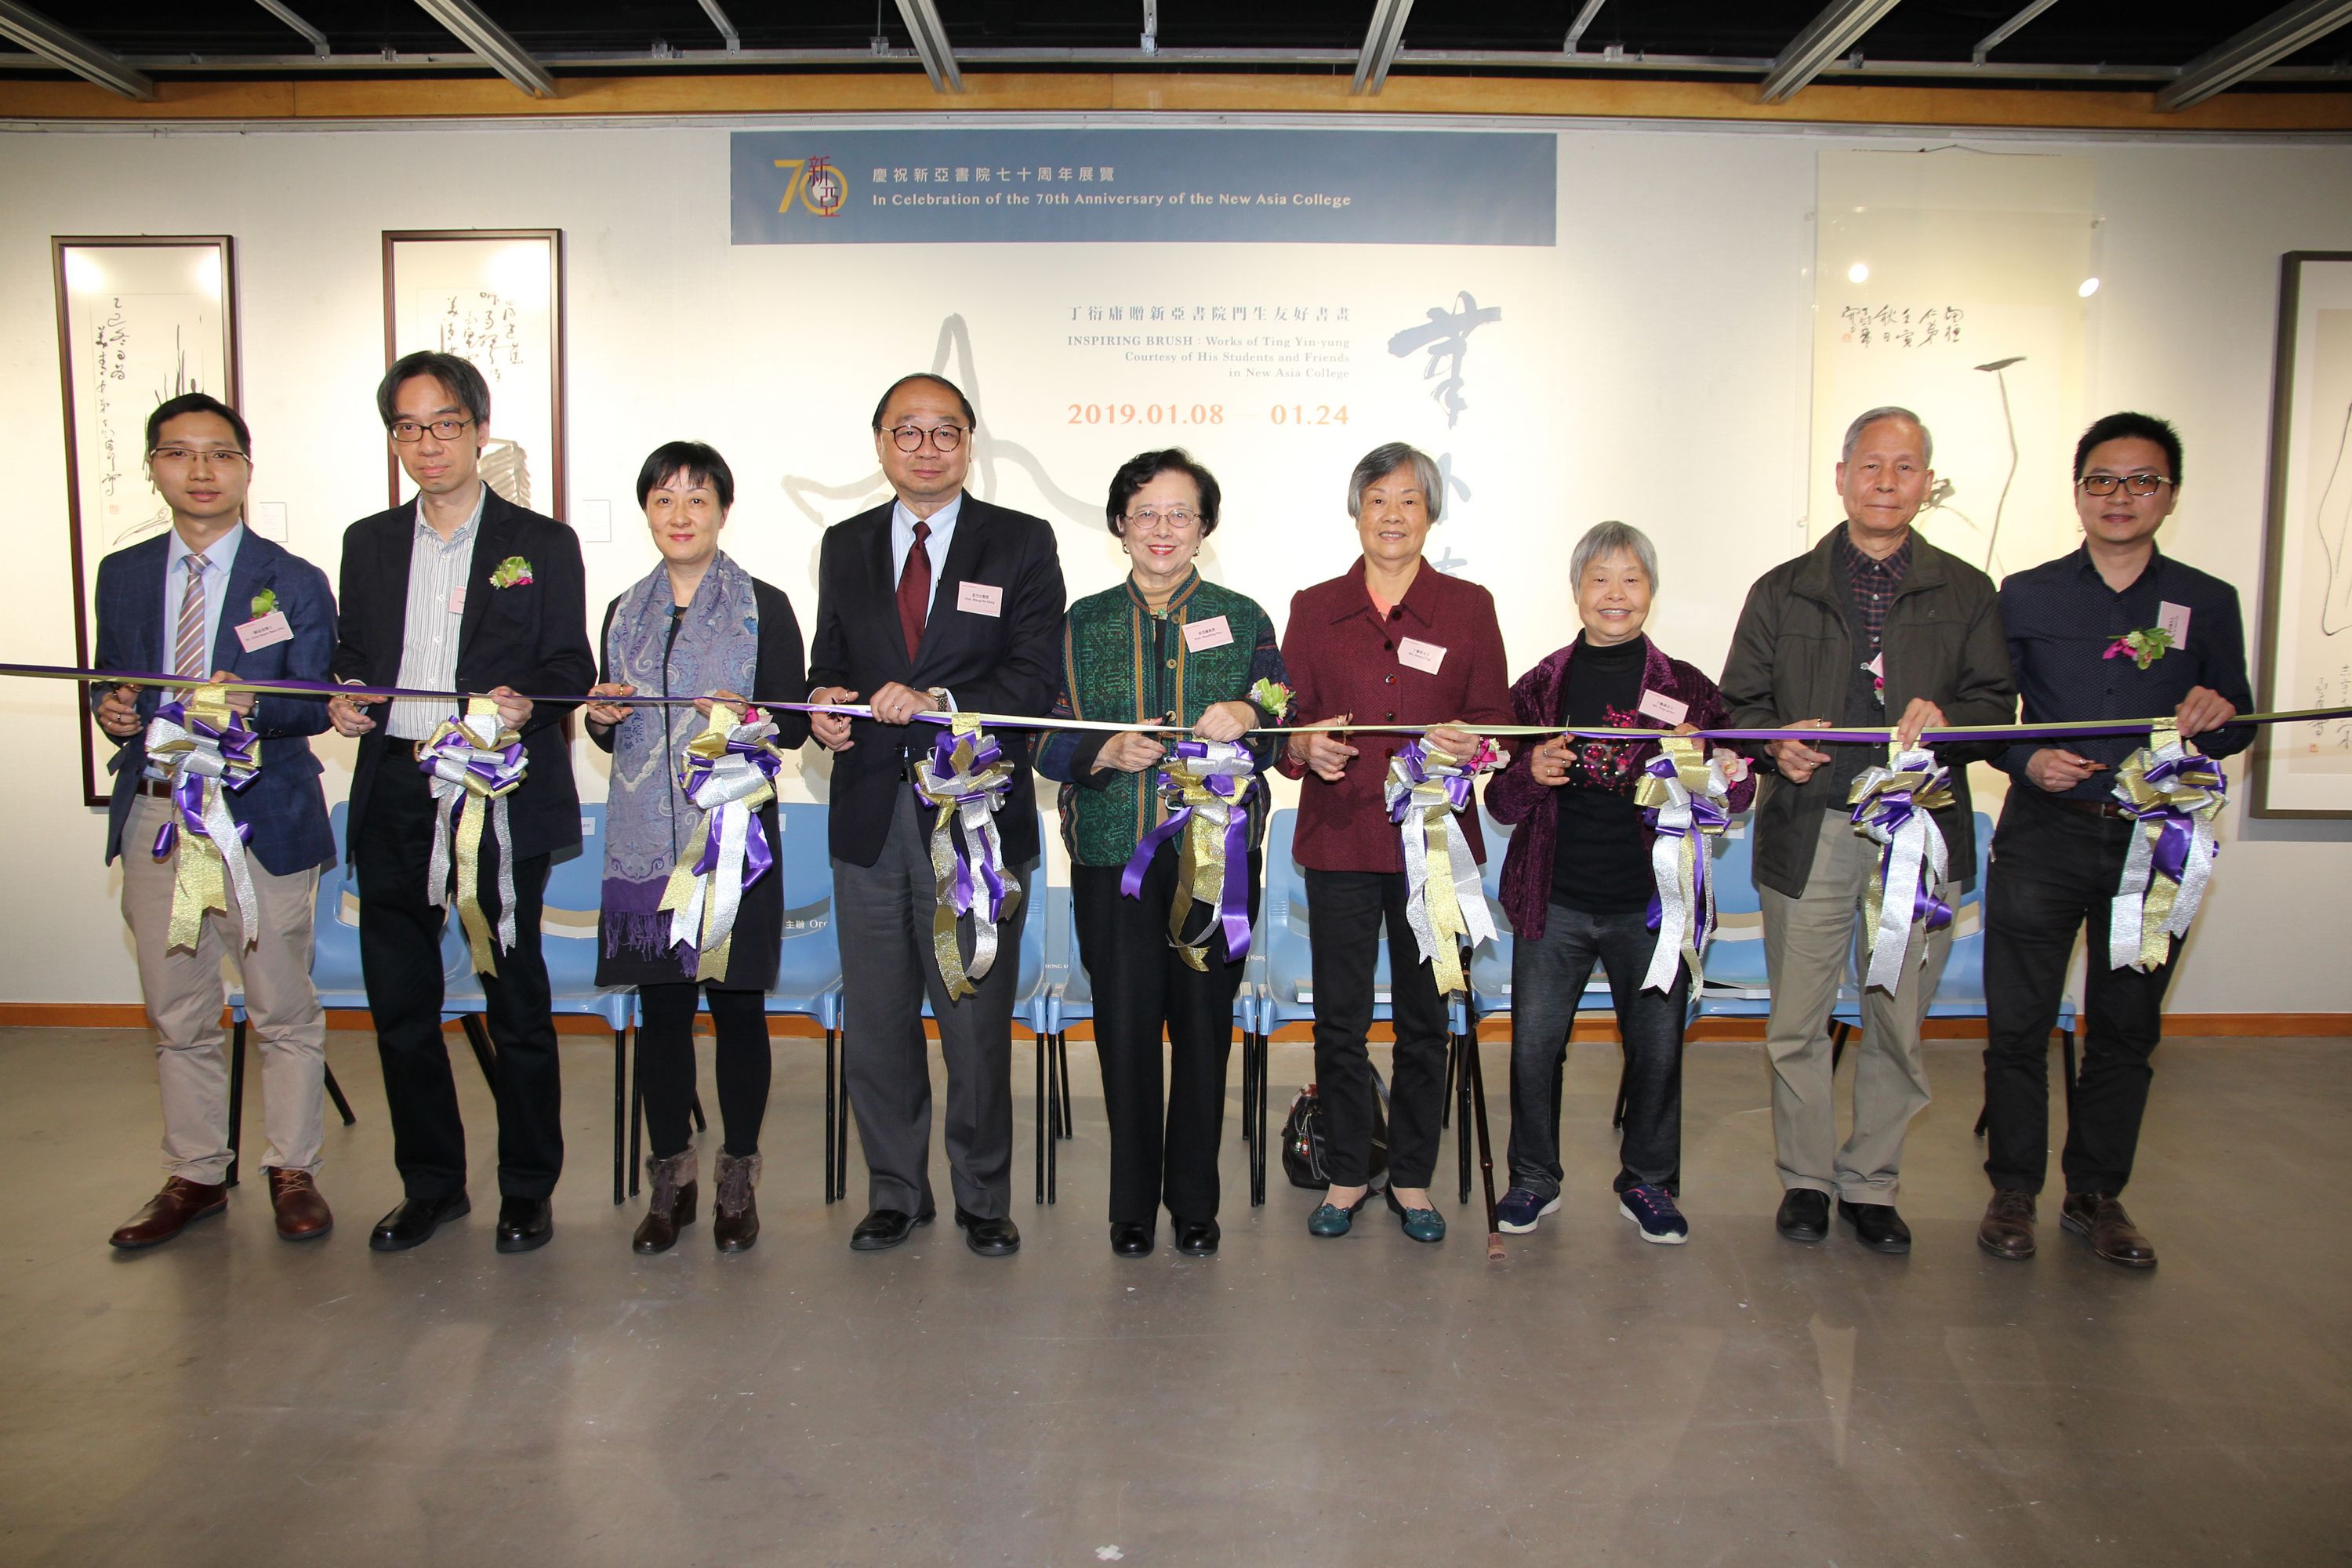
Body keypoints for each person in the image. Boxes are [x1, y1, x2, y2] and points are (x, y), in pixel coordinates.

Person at [1719, 405, 2015, 1256]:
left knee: (1897, 1022)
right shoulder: (1783, 588)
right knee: (1797, 1022)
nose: (1888, 482)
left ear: (1928, 482)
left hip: (1921, 837)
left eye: (1907, 467)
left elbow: (1999, 713)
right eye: (1872, 465)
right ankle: (1806, 1181)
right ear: (1843, 476)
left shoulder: (1966, 591)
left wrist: (1951, 718)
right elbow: (1740, 707)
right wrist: (1775, 744)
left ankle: (1874, 1182)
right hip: (1811, 831)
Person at [325, 350, 593, 1254]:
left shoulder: (541, 543)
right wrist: (347, 692)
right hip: (396, 783)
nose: (427, 443)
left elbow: (569, 671)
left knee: (513, 999)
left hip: (495, 784)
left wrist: (527, 706)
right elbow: (353, 653)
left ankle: (527, 1186)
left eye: (445, 423)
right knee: (400, 1005)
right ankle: (431, 1184)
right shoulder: (368, 542)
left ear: (480, 429)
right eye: (407, 426)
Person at [1976, 413, 2252, 1269]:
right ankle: (2013, 1189)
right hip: (2042, 839)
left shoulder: (2207, 599)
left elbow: (2236, 715)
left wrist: (2217, 718)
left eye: (2141, 480)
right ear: (2078, 490)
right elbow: (1983, 715)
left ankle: (2097, 1194)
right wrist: (2026, 757)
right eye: (2103, 479)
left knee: (2126, 1027)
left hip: (2154, 844)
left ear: (2170, 493)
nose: (2120, 496)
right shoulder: (2023, 592)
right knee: (2017, 1023)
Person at [804, 372, 1066, 1258]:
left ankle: (983, 1196)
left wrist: (938, 697)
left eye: (944, 431)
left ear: (970, 441)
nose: (926, 448)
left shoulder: (1021, 542)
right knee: (878, 1021)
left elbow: (1035, 682)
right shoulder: (843, 544)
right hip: (870, 819)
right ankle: (895, 1189)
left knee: (974, 1021)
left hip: (976, 823)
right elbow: (825, 660)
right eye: (907, 431)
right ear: (880, 441)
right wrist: (825, 704)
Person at [92, 394, 339, 1248]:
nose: (201, 471)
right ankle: (196, 1171)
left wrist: (249, 705)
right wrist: (115, 710)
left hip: (259, 820)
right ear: (155, 466)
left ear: (246, 468)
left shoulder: (294, 579)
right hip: (159, 817)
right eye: (180, 453)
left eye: (219, 454)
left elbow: (315, 700)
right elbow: (107, 683)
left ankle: (291, 1166)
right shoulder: (121, 575)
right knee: (178, 1008)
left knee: (281, 1007)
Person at [1036, 449, 1285, 1260]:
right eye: (1146, 512)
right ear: (1118, 525)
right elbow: (1040, 732)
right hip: (1115, 858)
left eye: (1181, 513)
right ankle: (1131, 1206)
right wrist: (1100, 750)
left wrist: (1249, 709)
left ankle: (1196, 1202)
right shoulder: (1079, 624)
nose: (1163, 529)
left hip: (1218, 859)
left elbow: (1285, 707)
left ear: (1205, 527)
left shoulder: (1244, 616)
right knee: (1126, 1028)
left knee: (1206, 1031)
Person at [1484, 521, 1755, 1246]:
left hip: (1652, 906)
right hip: (1554, 901)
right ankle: (1534, 1179)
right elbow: (1499, 802)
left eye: (1631, 578)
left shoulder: (1688, 689)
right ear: (1576, 592)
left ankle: (1650, 1183)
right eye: (1599, 578)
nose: (1615, 593)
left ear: (1651, 593)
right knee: (1536, 1047)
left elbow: (1736, 794)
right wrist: (1528, 774)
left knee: (1658, 1047)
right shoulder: (1540, 687)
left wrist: (1721, 775)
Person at [1278, 441, 1513, 1243]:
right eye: (1377, 498)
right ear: (1356, 510)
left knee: (1425, 1019)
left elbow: (1498, 730)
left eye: (1409, 499)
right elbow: (1285, 727)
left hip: (1434, 847)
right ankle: (1348, 1171)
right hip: (1340, 841)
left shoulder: (1469, 606)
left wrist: (1468, 745)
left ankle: (1411, 1174)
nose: (1392, 515)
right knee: (1339, 1020)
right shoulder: (1313, 606)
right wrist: (1303, 745)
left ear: (1432, 513)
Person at [584, 442, 809, 1255]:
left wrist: (746, 715)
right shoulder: (622, 609)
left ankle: (737, 1176)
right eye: (665, 500)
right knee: (664, 1011)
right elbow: (603, 726)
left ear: (723, 511)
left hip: (734, 839)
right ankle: (671, 1177)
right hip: (645, 842)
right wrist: (600, 718)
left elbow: (788, 724)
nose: (681, 516)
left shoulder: (764, 607)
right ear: (647, 510)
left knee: (737, 1007)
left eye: (697, 500)